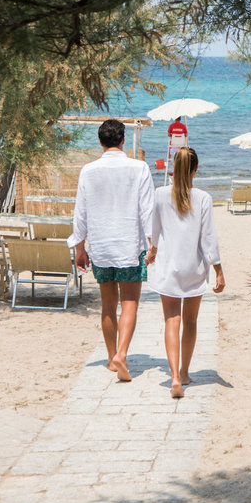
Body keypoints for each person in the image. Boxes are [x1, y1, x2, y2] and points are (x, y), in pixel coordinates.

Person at [68, 119, 155, 382]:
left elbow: (80, 213)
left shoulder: (88, 171)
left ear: (100, 142)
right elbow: (148, 210)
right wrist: (153, 243)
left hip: (101, 246)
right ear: (123, 140)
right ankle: (122, 354)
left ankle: (110, 359)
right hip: (130, 245)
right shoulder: (139, 168)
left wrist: (80, 248)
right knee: (130, 303)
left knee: (108, 305)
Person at [146, 147, 225, 399]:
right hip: (194, 268)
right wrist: (218, 270)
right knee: (190, 322)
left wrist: (152, 251)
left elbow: (153, 231)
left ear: (173, 167)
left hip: (168, 266)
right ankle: (185, 372)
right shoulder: (203, 198)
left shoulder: (160, 194)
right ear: (196, 169)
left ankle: (174, 377)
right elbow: (209, 238)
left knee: (172, 320)